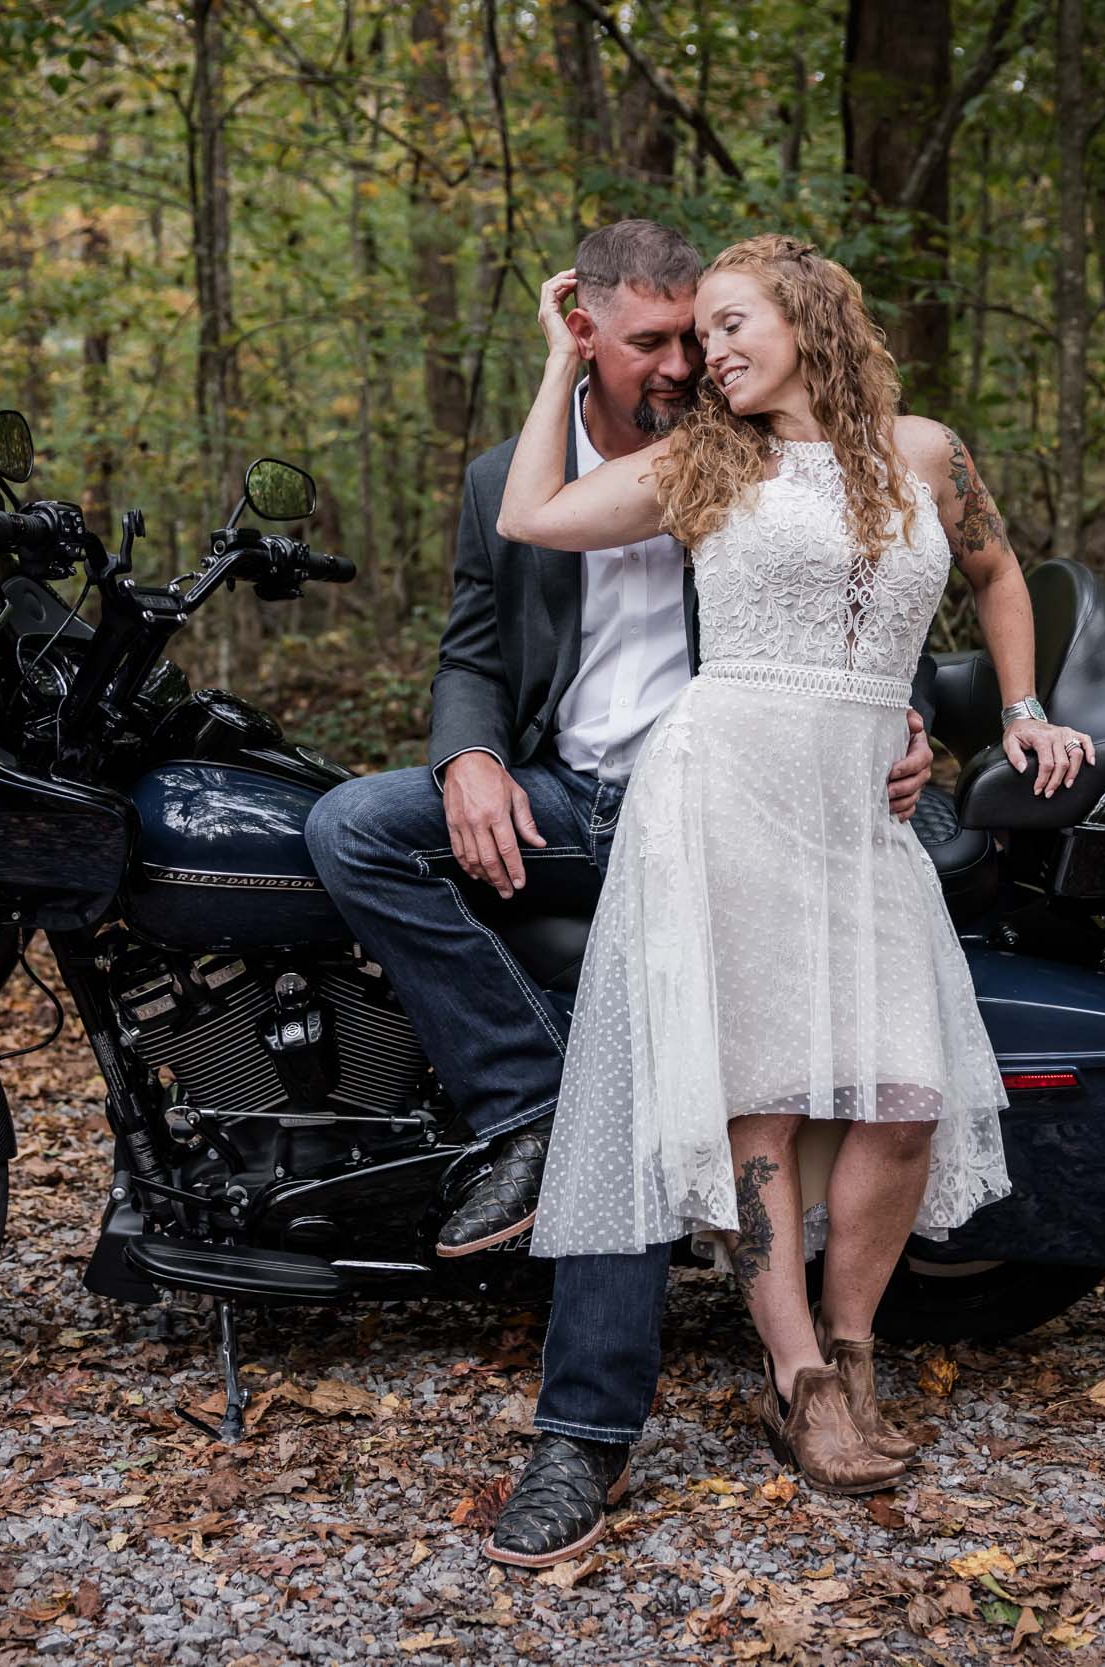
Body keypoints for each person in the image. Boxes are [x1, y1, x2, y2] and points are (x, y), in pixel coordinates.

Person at [306, 221, 939, 1568]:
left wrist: (908, 722)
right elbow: (471, 646)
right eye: (652, 340)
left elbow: (873, 583)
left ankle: (582, 1431)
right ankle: (522, 1102)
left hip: (718, 805)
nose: (685, 363)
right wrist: (471, 755)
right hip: (556, 794)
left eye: (698, 335)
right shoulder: (510, 473)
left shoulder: (754, 452)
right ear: (583, 332)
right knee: (350, 826)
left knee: (639, 1068)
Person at [497, 236, 1093, 1509]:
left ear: (807, 314)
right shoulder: (709, 460)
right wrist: (560, 362)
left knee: (901, 1091)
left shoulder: (925, 452)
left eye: (727, 323)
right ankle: (799, 1379)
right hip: (726, 784)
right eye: (700, 333)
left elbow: (992, 572)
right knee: (758, 1098)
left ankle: (857, 1348)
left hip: (861, 803)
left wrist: (1023, 707)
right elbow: (532, 516)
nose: (708, 351)